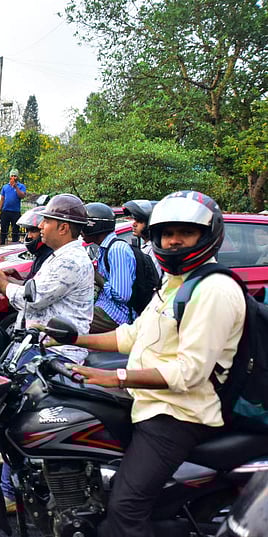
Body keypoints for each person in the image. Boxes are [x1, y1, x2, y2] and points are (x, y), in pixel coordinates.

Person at [65, 191, 245, 537]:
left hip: (178, 415)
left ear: (207, 236)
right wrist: (71, 339)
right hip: (150, 404)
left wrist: (114, 376)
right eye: (166, 233)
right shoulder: (177, 283)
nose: (173, 240)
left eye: (185, 233)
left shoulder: (214, 290)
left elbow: (189, 373)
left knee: (124, 510)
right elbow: (132, 336)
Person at [0, 193, 95, 512]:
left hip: (56, 354)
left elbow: (32, 299)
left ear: (63, 228)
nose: (42, 226)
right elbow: (36, 290)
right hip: (39, 348)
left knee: (18, 419)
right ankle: (11, 489)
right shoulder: (60, 255)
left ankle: (10, 494)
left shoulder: (68, 259)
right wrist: (10, 280)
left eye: (47, 221)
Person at [83, 202, 136, 332]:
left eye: (84, 225)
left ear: (95, 226)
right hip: (104, 307)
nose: (80, 231)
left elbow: (122, 295)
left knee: (68, 317)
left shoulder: (117, 249)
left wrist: (95, 274)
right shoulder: (104, 249)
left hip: (116, 315)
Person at [123, 199, 162, 279]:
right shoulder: (145, 246)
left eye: (139, 221)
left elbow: (153, 279)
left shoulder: (156, 249)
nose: (134, 224)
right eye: (134, 220)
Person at [17, 206, 54, 279]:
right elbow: (31, 280)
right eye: (28, 231)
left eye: (33, 231)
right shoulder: (41, 254)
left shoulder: (49, 256)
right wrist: (15, 274)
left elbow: (32, 289)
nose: (29, 236)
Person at [0, 168, 26, 244]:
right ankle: (2, 243)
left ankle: (14, 244)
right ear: (10, 176)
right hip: (5, 211)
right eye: (12, 176)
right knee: (4, 229)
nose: (13, 177)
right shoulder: (5, 187)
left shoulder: (21, 186)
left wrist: (16, 187)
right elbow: (2, 199)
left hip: (15, 211)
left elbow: (22, 196)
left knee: (15, 230)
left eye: (15, 176)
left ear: (17, 177)